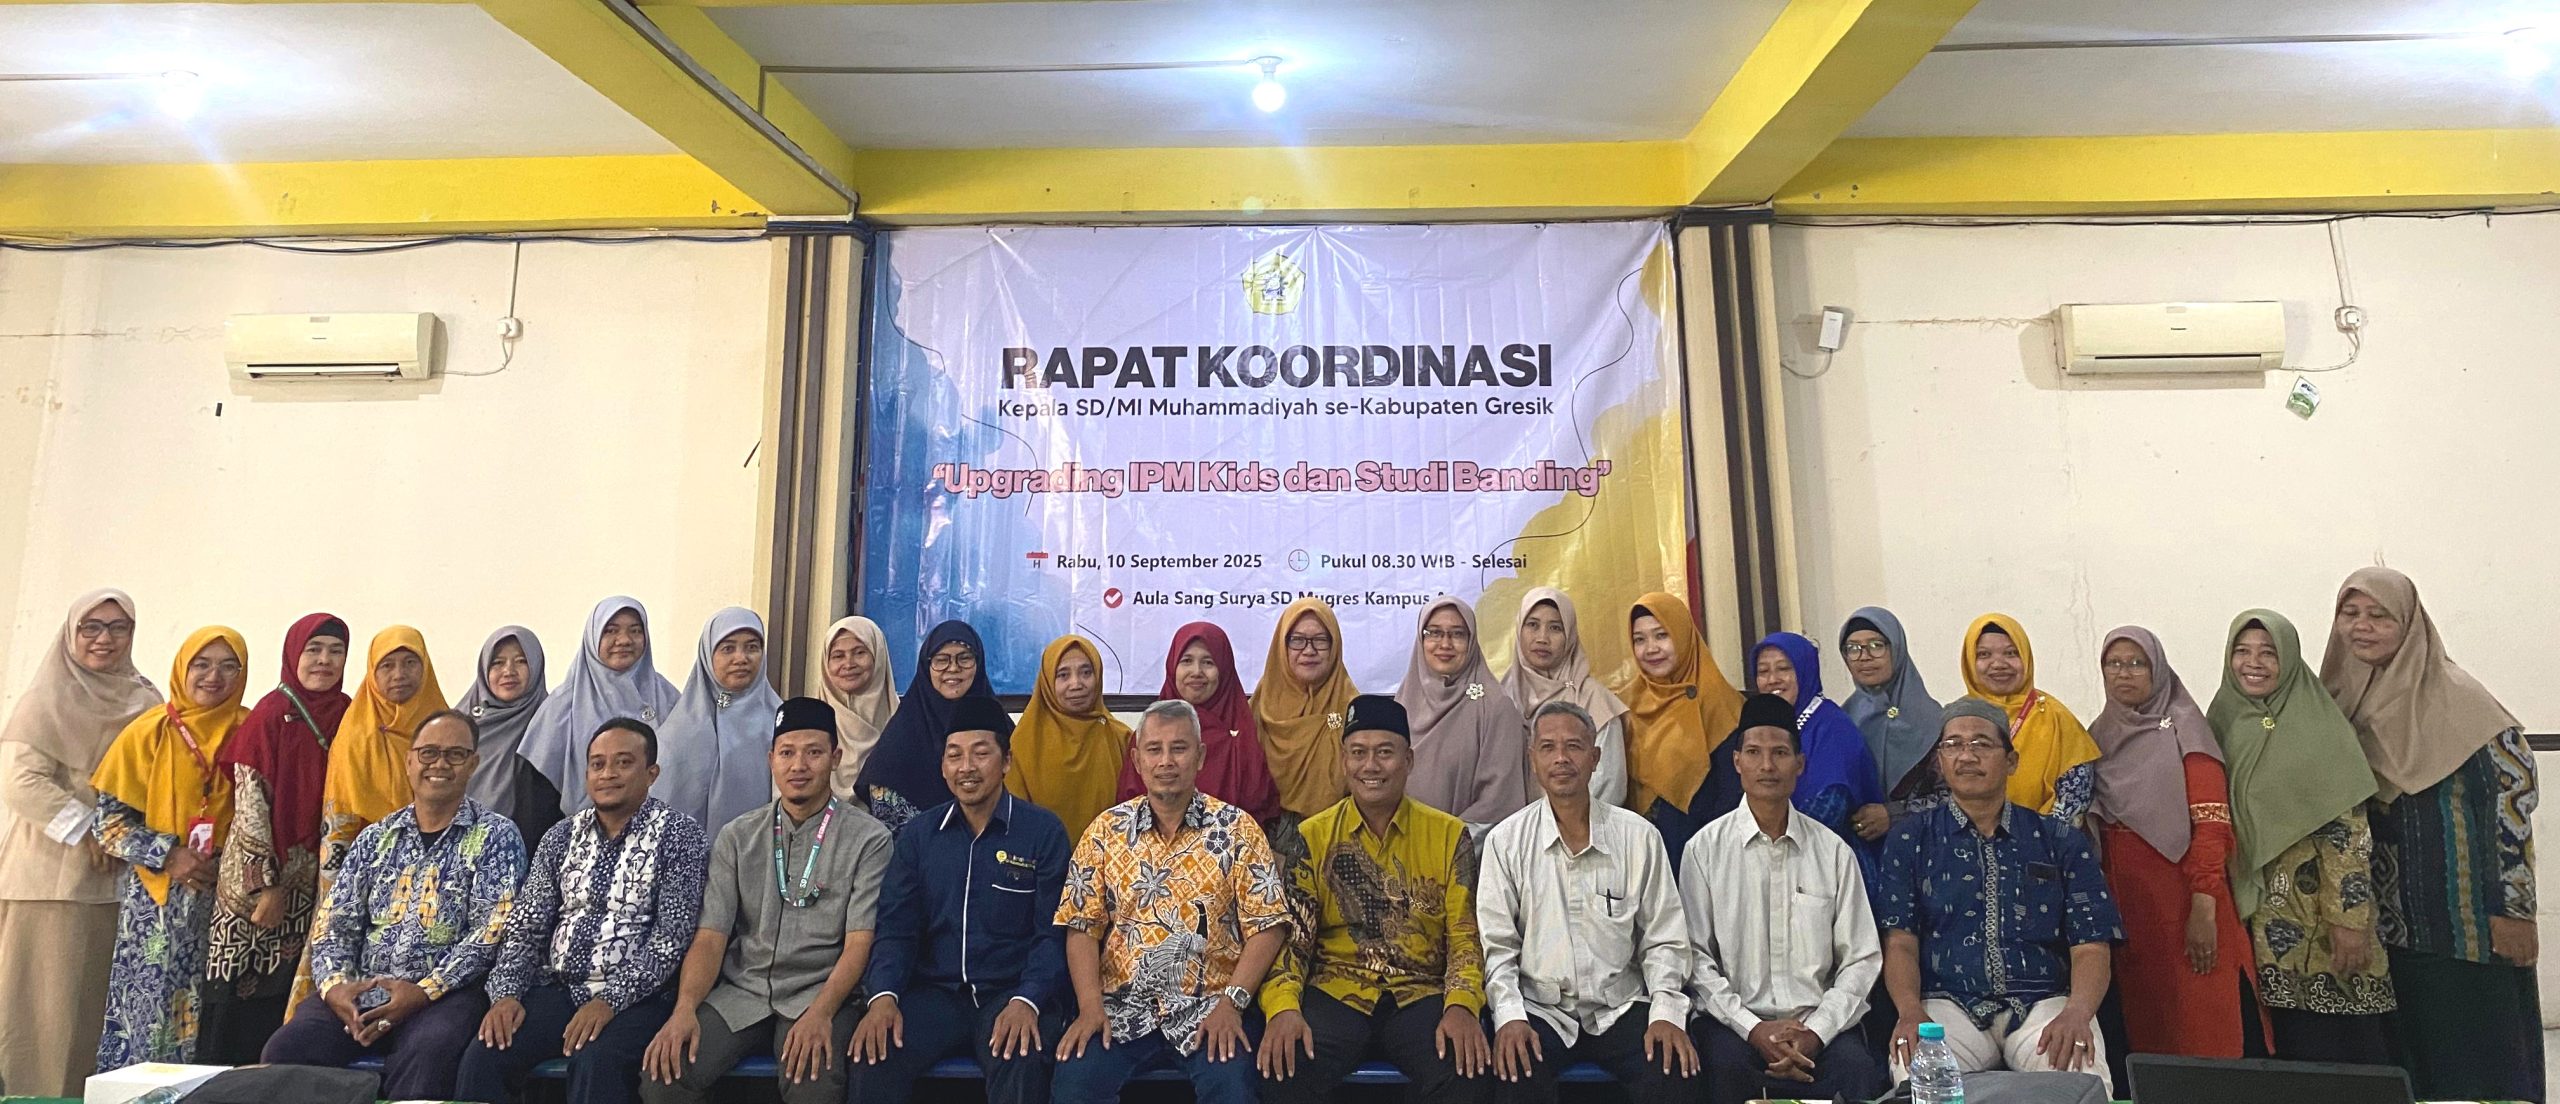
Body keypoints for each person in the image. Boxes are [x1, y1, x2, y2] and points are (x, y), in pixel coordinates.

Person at [2322, 568, 2540, 1100]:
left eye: (2379, 616)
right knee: (2411, 1070)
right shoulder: (2338, 701)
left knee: (2479, 1068)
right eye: (2350, 614)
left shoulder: (2461, 699)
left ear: (2409, 623)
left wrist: (2513, 910)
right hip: (2387, 932)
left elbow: (2511, 804)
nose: (2362, 627)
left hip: (2466, 932)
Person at [260, 709, 526, 1101]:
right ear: (409, 761)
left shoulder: (496, 836)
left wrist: (422, 992)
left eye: (455, 755)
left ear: (473, 764)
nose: (440, 764)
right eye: (429, 753)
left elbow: (490, 932)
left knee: (429, 1054)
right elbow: (334, 925)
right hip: (364, 989)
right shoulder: (376, 838)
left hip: (444, 997)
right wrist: (336, 990)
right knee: (286, 1051)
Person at [641, 697, 892, 1104]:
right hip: (744, 991)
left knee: (813, 1080)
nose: (798, 766)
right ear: (771, 759)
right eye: (787, 753)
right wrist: (684, 1009)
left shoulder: (869, 839)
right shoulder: (738, 836)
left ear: (835, 758)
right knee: (665, 1074)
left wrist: (822, 1013)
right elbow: (711, 937)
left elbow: (859, 943)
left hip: (819, 992)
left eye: (813, 753)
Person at [459, 718, 710, 1104]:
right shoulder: (560, 836)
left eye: (623, 762)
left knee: (596, 1063)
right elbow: (526, 926)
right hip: (558, 989)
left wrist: (610, 1000)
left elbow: (671, 938)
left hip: (642, 998)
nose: (608, 774)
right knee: (486, 1053)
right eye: (597, 764)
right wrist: (506, 995)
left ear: (652, 773)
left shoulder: (679, 836)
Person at [1877, 698, 2120, 1094]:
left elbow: (2091, 944)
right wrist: (1909, 1011)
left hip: (2043, 1003)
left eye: (1981, 744)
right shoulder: (1911, 839)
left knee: (2084, 1078)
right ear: (1940, 761)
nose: (1967, 756)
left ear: (2011, 761)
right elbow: (1900, 941)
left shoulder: (2058, 839)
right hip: (1947, 1003)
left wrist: (2078, 1012)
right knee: (1918, 1075)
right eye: (1953, 745)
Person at [1052, 700, 1288, 1104]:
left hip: (1211, 1009)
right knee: (1074, 1084)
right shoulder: (1105, 831)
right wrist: (1089, 1007)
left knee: (1233, 1089)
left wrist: (1232, 1004)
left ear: (1200, 757)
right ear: (1137, 760)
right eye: (1154, 749)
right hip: (1121, 1010)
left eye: (1179, 748)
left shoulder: (1238, 830)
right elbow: (1081, 926)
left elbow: (1268, 927)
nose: (1166, 761)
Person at [1259, 695, 1490, 1104]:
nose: (1371, 766)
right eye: (1358, 753)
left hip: (1421, 991)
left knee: (1466, 1070)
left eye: (1385, 752)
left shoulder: (1449, 835)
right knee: (1283, 1067)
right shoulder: (1313, 836)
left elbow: (1464, 937)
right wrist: (1283, 1007)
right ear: (1343, 761)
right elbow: (1293, 940)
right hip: (1336, 987)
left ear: (1408, 760)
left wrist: (1462, 1004)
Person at [848, 696, 1071, 1104]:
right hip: (937, 994)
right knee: (874, 1054)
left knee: (1021, 1054)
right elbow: (896, 929)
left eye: (981, 753)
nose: (966, 767)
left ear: (1006, 762)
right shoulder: (919, 836)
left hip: (1010, 990)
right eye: (954, 755)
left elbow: (1053, 933)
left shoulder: (1043, 832)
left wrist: (1029, 999)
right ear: (943, 767)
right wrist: (883, 997)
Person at [1478, 699, 1697, 1104]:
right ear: (1532, 759)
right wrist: (1508, 1016)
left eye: (1574, 746)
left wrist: (1666, 1013)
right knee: (1514, 1072)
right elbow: (1497, 948)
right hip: (1541, 1009)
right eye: (1548, 747)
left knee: (1673, 1070)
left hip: (1620, 1005)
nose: (1561, 758)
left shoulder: (1638, 837)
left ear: (1595, 758)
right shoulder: (1505, 842)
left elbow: (1664, 939)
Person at [1679, 693, 1886, 1104]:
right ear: (1737, 762)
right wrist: (1752, 1028)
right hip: (1734, 1026)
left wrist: (1816, 1032)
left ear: (1800, 764)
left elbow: (1861, 959)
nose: (1767, 766)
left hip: (1818, 1025)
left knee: (1858, 1071)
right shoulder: (1704, 850)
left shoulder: (1832, 852)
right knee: (1721, 1069)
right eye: (1754, 753)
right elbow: (1694, 958)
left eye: (1779, 753)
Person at [2208, 610, 2393, 1062]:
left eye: (2269, 653)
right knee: (2282, 1052)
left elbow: (2349, 835)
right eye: (2242, 651)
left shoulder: (2321, 725)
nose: (2254, 663)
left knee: (2341, 1053)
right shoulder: (2222, 721)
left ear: (2289, 659)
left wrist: (2349, 921)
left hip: (2320, 925)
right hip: (2255, 923)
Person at [0, 589, 161, 1094]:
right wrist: (91, 828)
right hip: (51, 883)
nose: (104, 639)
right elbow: (20, 781)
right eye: (91, 627)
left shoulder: (146, 700)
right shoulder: (46, 698)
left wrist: (128, 837)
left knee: (97, 1020)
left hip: (123, 885)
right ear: (71, 633)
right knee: (43, 1022)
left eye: (118, 627)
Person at [2087, 626, 2256, 1058]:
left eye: (2136, 663)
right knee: (2148, 1028)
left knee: (2200, 1026)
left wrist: (2204, 907)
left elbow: (2212, 824)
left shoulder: (2186, 729)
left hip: (2184, 900)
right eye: (2113, 663)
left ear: (2157, 669)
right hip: (2129, 906)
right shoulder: (2097, 735)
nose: (2124, 673)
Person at [90, 625, 250, 1069]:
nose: (213, 677)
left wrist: (233, 864)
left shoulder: (253, 730)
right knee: (148, 1019)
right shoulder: (149, 732)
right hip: (157, 907)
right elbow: (108, 824)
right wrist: (169, 854)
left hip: (229, 905)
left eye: (228, 666)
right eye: (202, 664)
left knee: (221, 1025)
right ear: (182, 668)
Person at [201, 613, 351, 1063]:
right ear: (293, 654)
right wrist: (265, 886)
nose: (324, 661)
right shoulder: (270, 713)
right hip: (259, 888)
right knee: (241, 999)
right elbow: (250, 805)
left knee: (290, 995)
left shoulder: (348, 713)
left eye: (336, 652)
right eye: (313, 650)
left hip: (312, 885)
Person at [521, 598, 682, 818]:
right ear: (593, 637)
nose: (624, 640)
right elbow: (538, 795)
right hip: (577, 833)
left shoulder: (668, 698)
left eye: (635, 631)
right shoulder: (561, 707)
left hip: (661, 830)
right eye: (610, 631)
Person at [1618, 591, 1742, 866]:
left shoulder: (1718, 701)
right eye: (1640, 639)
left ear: (1683, 635)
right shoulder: (1627, 704)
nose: (1651, 649)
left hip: (1703, 851)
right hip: (1639, 851)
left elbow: (1730, 793)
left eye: (1662, 635)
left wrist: (1711, 857)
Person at [1748, 633, 1884, 875]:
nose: (1772, 680)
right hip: (1776, 859)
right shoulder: (1771, 729)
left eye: (1783, 669)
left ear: (1805, 670)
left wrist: (1772, 845)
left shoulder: (1833, 727)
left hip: (1831, 867)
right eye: (1763, 671)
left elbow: (1828, 811)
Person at [1118, 622, 1280, 823]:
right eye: (1186, 661)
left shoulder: (1243, 736)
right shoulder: (1149, 733)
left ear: (1224, 669)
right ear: (1172, 667)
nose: (1196, 671)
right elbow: (1129, 806)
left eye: (1208, 662)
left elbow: (1259, 807)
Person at [856, 621, 1011, 831]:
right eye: (941, 660)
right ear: (926, 666)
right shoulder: (900, 739)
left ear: (979, 663)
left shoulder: (1002, 729)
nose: (953, 668)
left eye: (964, 658)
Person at [1395, 597, 1532, 826]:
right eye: (1434, 633)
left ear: (1472, 641)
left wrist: (1446, 839)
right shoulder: (1403, 702)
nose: (1445, 644)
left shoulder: (1496, 708)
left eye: (1457, 634)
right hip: (1398, 839)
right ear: (1421, 639)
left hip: (1463, 843)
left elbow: (1499, 800)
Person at [324, 626, 449, 864]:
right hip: (369, 866)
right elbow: (339, 824)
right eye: (387, 665)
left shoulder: (447, 731)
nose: (399, 674)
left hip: (440, 863)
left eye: (410, 663)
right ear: (373, 672)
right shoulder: (355, 735)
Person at [1959, 614, 2099, 824]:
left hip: (2041, 839)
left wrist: (2033, 836)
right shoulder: (1955, 720)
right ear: (1969, 661)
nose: (1998, 664)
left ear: (2026, 657)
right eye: (1984, 654)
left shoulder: (2056, 717)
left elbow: (2075, 796)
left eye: (2011, 653)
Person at [656, 607, 785, 832]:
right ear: (708, 655)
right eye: (728, 649)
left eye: (752, 647)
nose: (741, 658)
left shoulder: (781, 723)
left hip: (759, 849)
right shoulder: (677, 730)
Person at [1499, 587, 1628, 808]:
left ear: (1569, 636)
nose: (1542, 638)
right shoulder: (1502, 697)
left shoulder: (1592, 699)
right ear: (1519, 630)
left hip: (1582, 824)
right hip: (1513, 827)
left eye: (1555, 628)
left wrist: (1560, 822)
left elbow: (1610, 785)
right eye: (1533, 625)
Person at [1007, 634, 1133, 840]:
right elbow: (1015, 819)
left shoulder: (1121, 738)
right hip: (1040, 857)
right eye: (1063, 675)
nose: (1076, 684)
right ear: (1047, 681)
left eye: (1086, 673)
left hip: (1112, 856)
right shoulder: (1024, 743)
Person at [1836, 607, 1943, 836]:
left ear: (1897, 648)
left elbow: (1955, 797)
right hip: (1856, 844)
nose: (1864, 657)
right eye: (1853, 648)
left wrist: (1894, 814)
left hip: (1923, 843)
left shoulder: (1935, 719)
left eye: (1876, 646)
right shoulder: (1840, 720)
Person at [1253, 598, 1359, 828]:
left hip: (1338, 833)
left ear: (1334, 646)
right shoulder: (1257, 710)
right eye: (1297, 640)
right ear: (1281, 646)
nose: (1309, 651)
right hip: (1263, 835)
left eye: (1320, 640)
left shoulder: (1355, 710)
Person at [459, 626, 561, 849]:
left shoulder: (553, 724)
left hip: (527, 851)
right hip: (457, 852)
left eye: (521, 661)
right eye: (498, 663)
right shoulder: (458, 728)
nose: (509, 671)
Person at [817, 616, 898, 801]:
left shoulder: (906, 723)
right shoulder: (808, 724)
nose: (849, 664)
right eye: (838, 656)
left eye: (860, 653)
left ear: (878, 656)